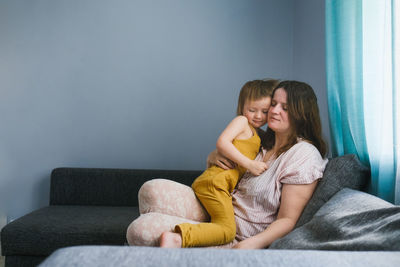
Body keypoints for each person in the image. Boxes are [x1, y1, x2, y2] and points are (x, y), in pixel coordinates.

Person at [126, 80, 328, 249]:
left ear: (302, 113)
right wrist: (213, 156)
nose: (274, 111)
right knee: (151, 189)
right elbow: (232, 154)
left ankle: (174, 247)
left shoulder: (303, 155)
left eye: (285, 108)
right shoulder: (264, 141)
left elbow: (288, 220)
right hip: (219, 207)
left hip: (237, 234)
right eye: (273, 104)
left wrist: (251, 244)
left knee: (141, 230)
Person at [162, 79, 278, 248]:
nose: (258, 116)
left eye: (264, 111)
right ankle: (177, 239)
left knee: (218, 223)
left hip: (218, 185)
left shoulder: (259, 135)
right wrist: (249, 164)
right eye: (252, 110)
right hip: (216, 184)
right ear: (242, 107)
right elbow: (222, 142)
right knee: (227, 231)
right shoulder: (242, 122)